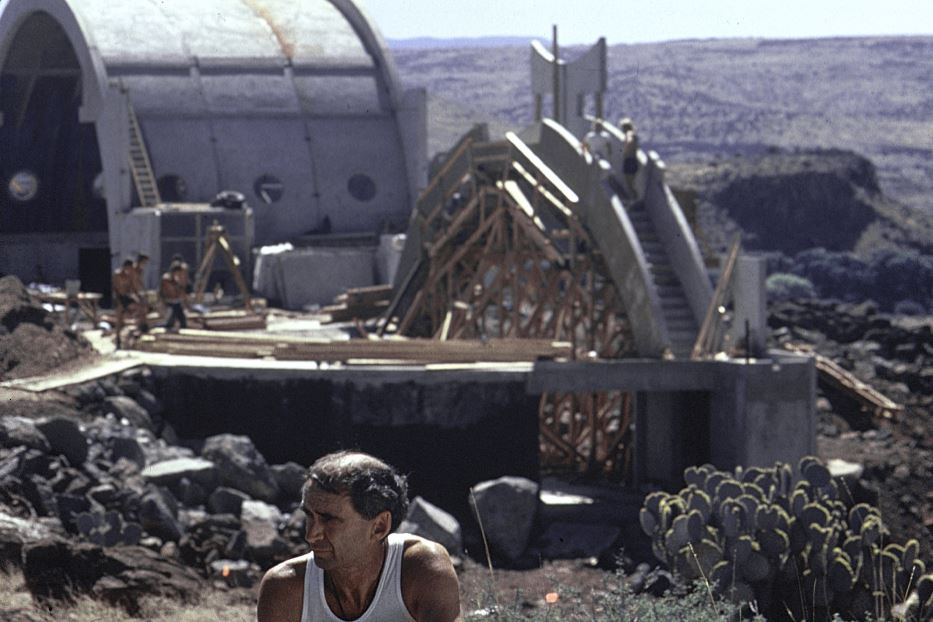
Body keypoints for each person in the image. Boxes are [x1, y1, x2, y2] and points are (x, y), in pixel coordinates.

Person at [257, 451, 461, 622]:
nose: (311, 535)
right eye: (309, 516)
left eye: (329, 519)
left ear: (379, 527)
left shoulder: (421, 570)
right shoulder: (285, 589)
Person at [111, 258, 137, 348]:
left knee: (139, 307)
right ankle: (118, 338)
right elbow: (115, 288)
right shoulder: (117, 275)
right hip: (119, 297)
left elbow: (132, 287)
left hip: (126, 296)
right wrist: (118, 300)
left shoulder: (130, 276)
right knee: (119, 318)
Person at [160, 261, 188, 331]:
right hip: (168, 302)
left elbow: (180, 293)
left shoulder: (177, 280)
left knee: (182, 321)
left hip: (176, 303)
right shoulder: (166, 278)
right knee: (169, 322)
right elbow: (170, 291)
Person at [619, 117, 641, 199]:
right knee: (631, 183)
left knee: (629, 183)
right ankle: (634, 199)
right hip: (634, 161)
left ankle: (634, 200)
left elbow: (630, 141)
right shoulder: (634, 134)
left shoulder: (629, 134)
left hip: (629, 161)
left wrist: (625, 150)